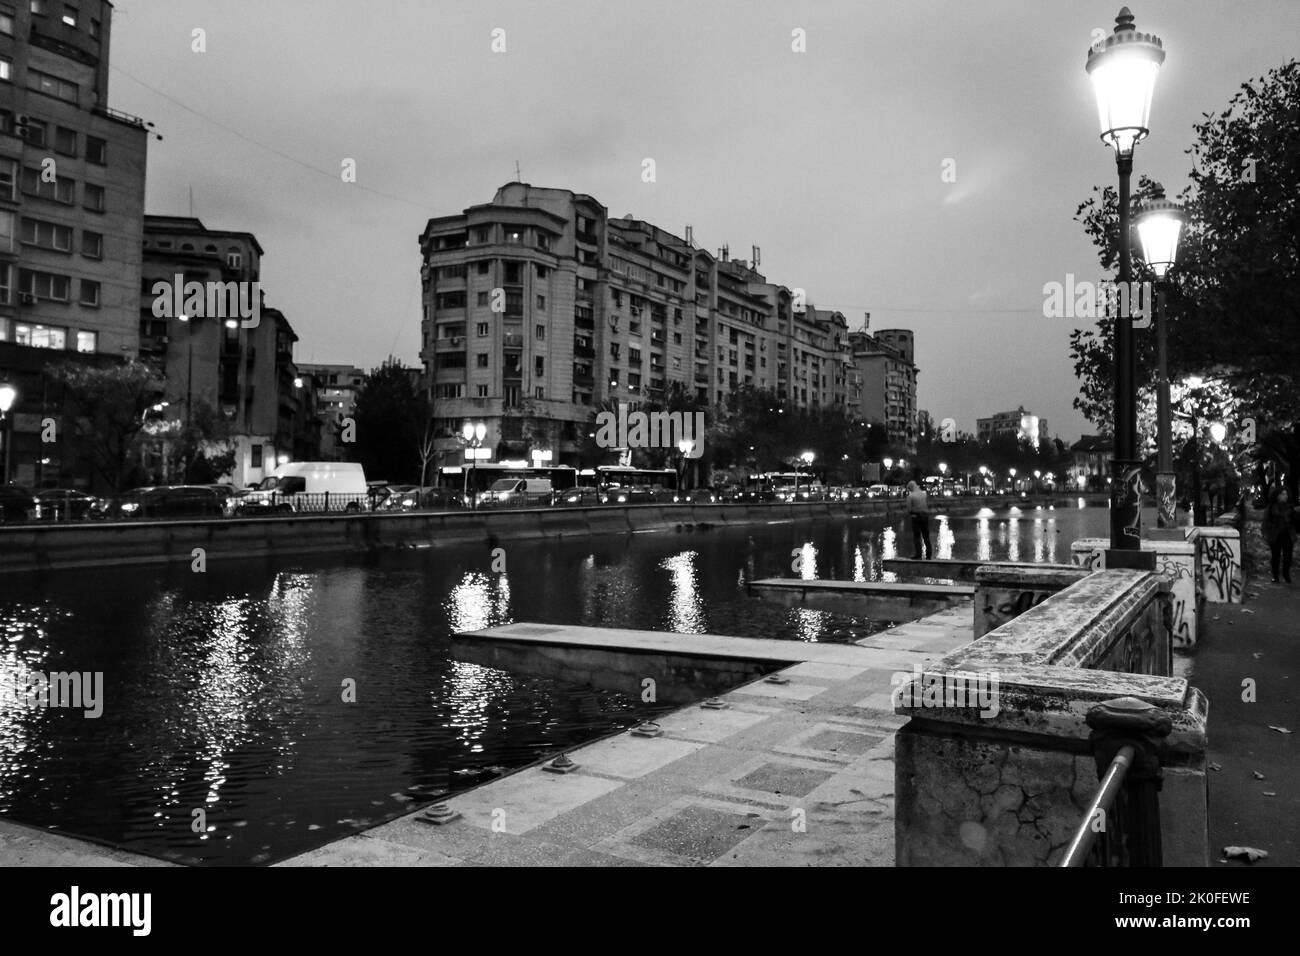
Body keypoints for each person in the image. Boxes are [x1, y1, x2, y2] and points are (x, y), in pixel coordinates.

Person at [1261, 487, 1298, 584]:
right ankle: (1276, 576)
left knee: (1288, 556)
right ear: (1277, 496)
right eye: (1283, 494)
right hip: (1275, 535)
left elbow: (1294, 520)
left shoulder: (1289, 506)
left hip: (1288, 534)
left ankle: (1286, 574)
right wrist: (1267, 533)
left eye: (1286, 494)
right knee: (1275, 556)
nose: (1285, 496)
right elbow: (1266, 521)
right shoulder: (1272, 507)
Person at [906, 479, 932, 560]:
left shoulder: (910, 496)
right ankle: (929, 555)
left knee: (917, 536)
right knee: (926, 536)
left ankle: (918, 554)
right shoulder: (924, 494)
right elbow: (928, 504)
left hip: (916, 517)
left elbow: (909, 509)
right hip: (925, 516)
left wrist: (911, 514)